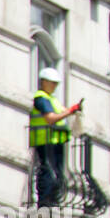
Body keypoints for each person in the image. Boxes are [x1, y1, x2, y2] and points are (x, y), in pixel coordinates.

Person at [29, 67, 82, 206]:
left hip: (56, 140)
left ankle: (53, 200)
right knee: (48, 171)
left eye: (56, 83)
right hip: (44, 140)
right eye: (52, 83)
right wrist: (71, 111)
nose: (54, 86)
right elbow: (51, 118)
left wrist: (73, 110)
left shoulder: (52, 99)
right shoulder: (41, 98)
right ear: (44, 82)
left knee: (57, 173)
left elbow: (63, 113)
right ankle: (45, 202)